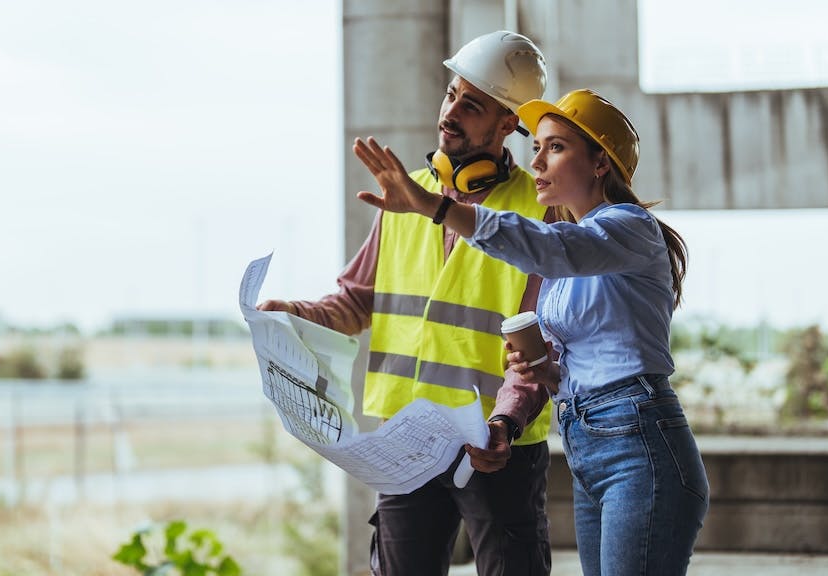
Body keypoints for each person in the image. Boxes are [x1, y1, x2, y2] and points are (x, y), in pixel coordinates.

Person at [352, 88, 710, 576]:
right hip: (588, 444)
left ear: (600, 162)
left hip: (640, 443)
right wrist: (543, 368)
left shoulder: (628, 228)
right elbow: (591, 360)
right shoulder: (573, 256)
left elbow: (547, 245)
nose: (537, 160)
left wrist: (437, 207)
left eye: (556, 148)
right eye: (536, 147)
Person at [259, 30, 553, 576]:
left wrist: (507, 423)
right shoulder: (403, 196)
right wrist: (294, 315)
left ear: (508, 124)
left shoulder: (536, 214)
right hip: (407, 441)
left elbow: (541, 342)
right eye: (450, 95)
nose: (451, 112)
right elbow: (355, 301)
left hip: (495, 446)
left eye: (473, 104)